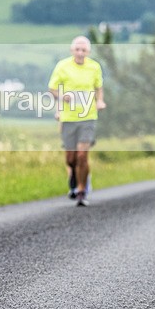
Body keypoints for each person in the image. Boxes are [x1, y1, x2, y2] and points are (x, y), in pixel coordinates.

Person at [48, 36, 106, 207]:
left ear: (88, 52)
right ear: (72, 51)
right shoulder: (62, 66)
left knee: (82, 155)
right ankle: (74, 174)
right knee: (70, 158)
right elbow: (52, 88)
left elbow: (98, 87)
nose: (80, 53)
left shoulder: (94, 67)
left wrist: (100, 101)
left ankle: (81, 190)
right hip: (68, 118)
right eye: (77, 50)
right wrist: (61, 96)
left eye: (84, 50)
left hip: (88, 116)